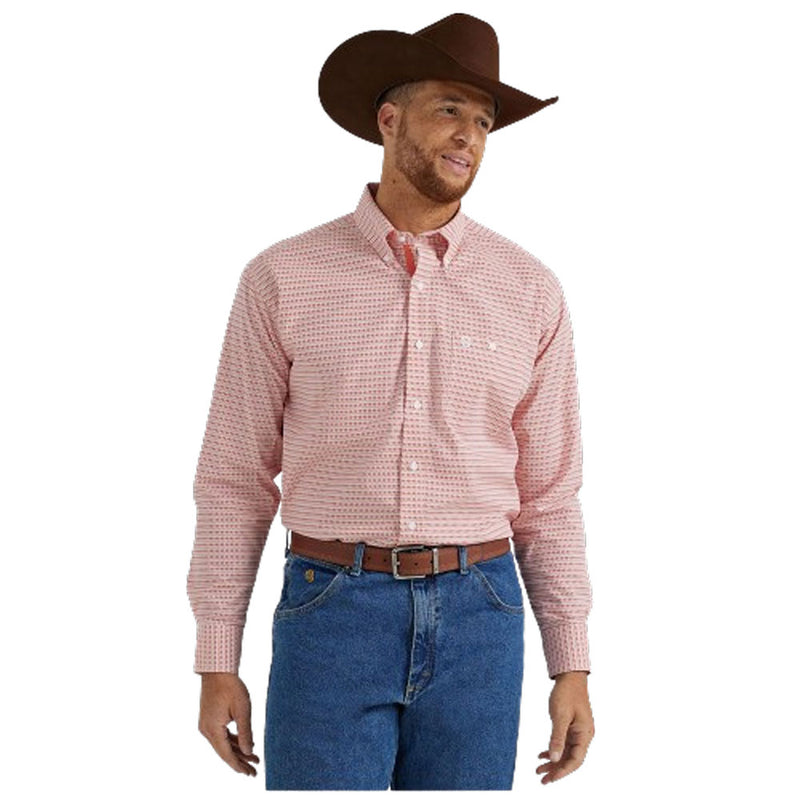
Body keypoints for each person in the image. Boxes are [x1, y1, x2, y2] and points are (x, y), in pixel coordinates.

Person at [187, 12, 594, 790]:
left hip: (484, 615)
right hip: (330, 610)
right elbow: (235, 477)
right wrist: (216, 656)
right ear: (388, 119)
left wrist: (569, 662)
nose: (469, 135)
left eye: (484, 121)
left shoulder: (530, 290)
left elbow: (550, 495)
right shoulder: (283, 278)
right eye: (450, 108)